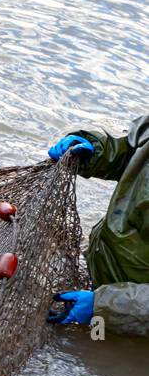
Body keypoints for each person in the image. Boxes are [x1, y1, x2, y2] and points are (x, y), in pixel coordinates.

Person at [47, 118, 149, 335]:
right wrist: (94, 152)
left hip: (130, 314)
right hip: (105, 278)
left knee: (112, 360)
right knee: (89, 352)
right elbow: (129, 154)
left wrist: (103, 307)